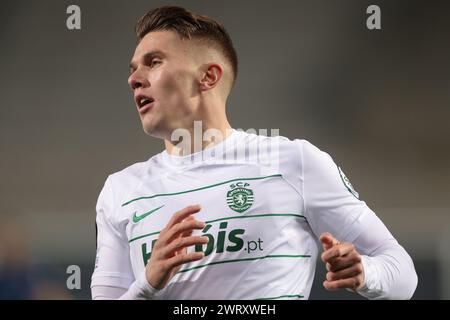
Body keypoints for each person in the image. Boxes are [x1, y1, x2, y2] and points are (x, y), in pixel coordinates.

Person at [90, 6, 417, 300]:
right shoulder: (120, 190)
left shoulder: (295, 162)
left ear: (209, 76)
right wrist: (147, 285)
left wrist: (364, 273)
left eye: (154, 62)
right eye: (133, 69)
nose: (134, 79)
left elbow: (402, 272)